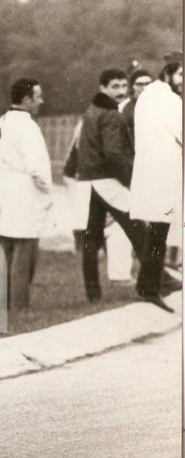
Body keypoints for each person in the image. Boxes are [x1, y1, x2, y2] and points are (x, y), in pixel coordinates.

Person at [75, 67, 148, 303]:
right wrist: (130, 181)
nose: (120, 91)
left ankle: (93, 294)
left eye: (122, 86)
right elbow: (113, 154)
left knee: (92, 239)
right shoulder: (111, 115)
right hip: (109, 180)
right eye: (114, 86)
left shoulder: (92, 110)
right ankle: (155, 284)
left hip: (92, 181)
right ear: (103, 88)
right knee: (139, 230)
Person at [129, 51, 183, 312]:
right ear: (168, 73)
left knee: (157, 232)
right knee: (159, 233)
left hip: (150, 171)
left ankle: (148, 285)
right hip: (162, 172)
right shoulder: (170, 99)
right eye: (181, 75)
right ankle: (149, 289)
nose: (183, 80)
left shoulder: (148, 96)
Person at [0, 78, 52, 311]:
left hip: (7, 186)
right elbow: (36, 166)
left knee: (7, 246)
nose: (41, 102)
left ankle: (2, 302)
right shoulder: (28, 127)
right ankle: (19, 303)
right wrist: (46, 188)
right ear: (26, 100)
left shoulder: (3, 122)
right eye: (38, 97)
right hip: (24, 189)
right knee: (24, 249)